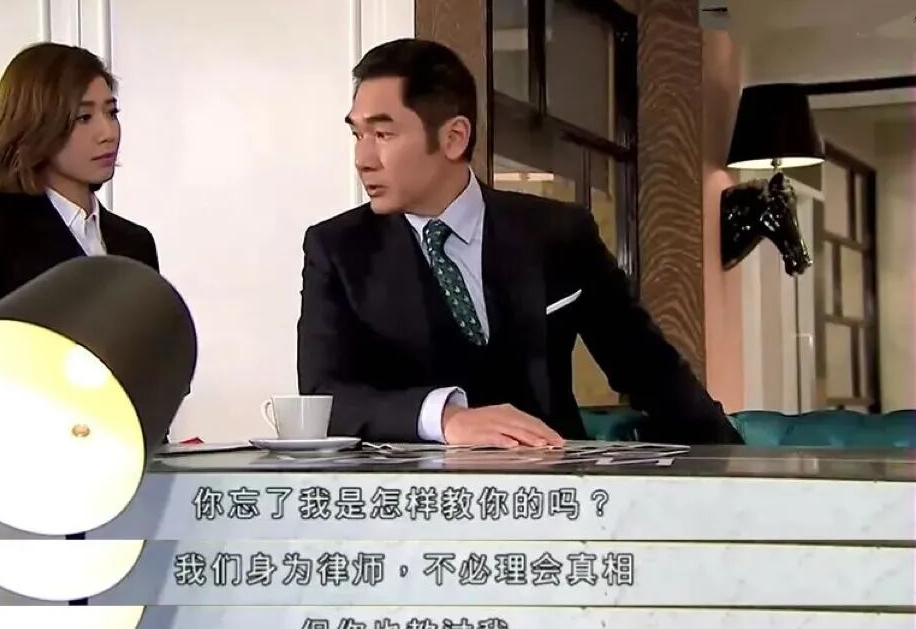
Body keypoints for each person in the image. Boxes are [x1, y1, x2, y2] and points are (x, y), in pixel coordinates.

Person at [297, 38, 743, 448]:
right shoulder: (337, 249)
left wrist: (739, 469)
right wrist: (445, 419)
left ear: (453, 138)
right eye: (357, 134)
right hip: (416, 498)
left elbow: (649, 368)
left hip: (551, 487)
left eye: (383, 134)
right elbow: (323, 397)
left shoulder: (558, 232)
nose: (363, 159)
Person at [0, 42, 158, 391]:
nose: (108, 132)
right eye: (84, 118)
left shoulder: (135, 244)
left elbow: (156, 369)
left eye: (111, 113)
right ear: (37, 124)